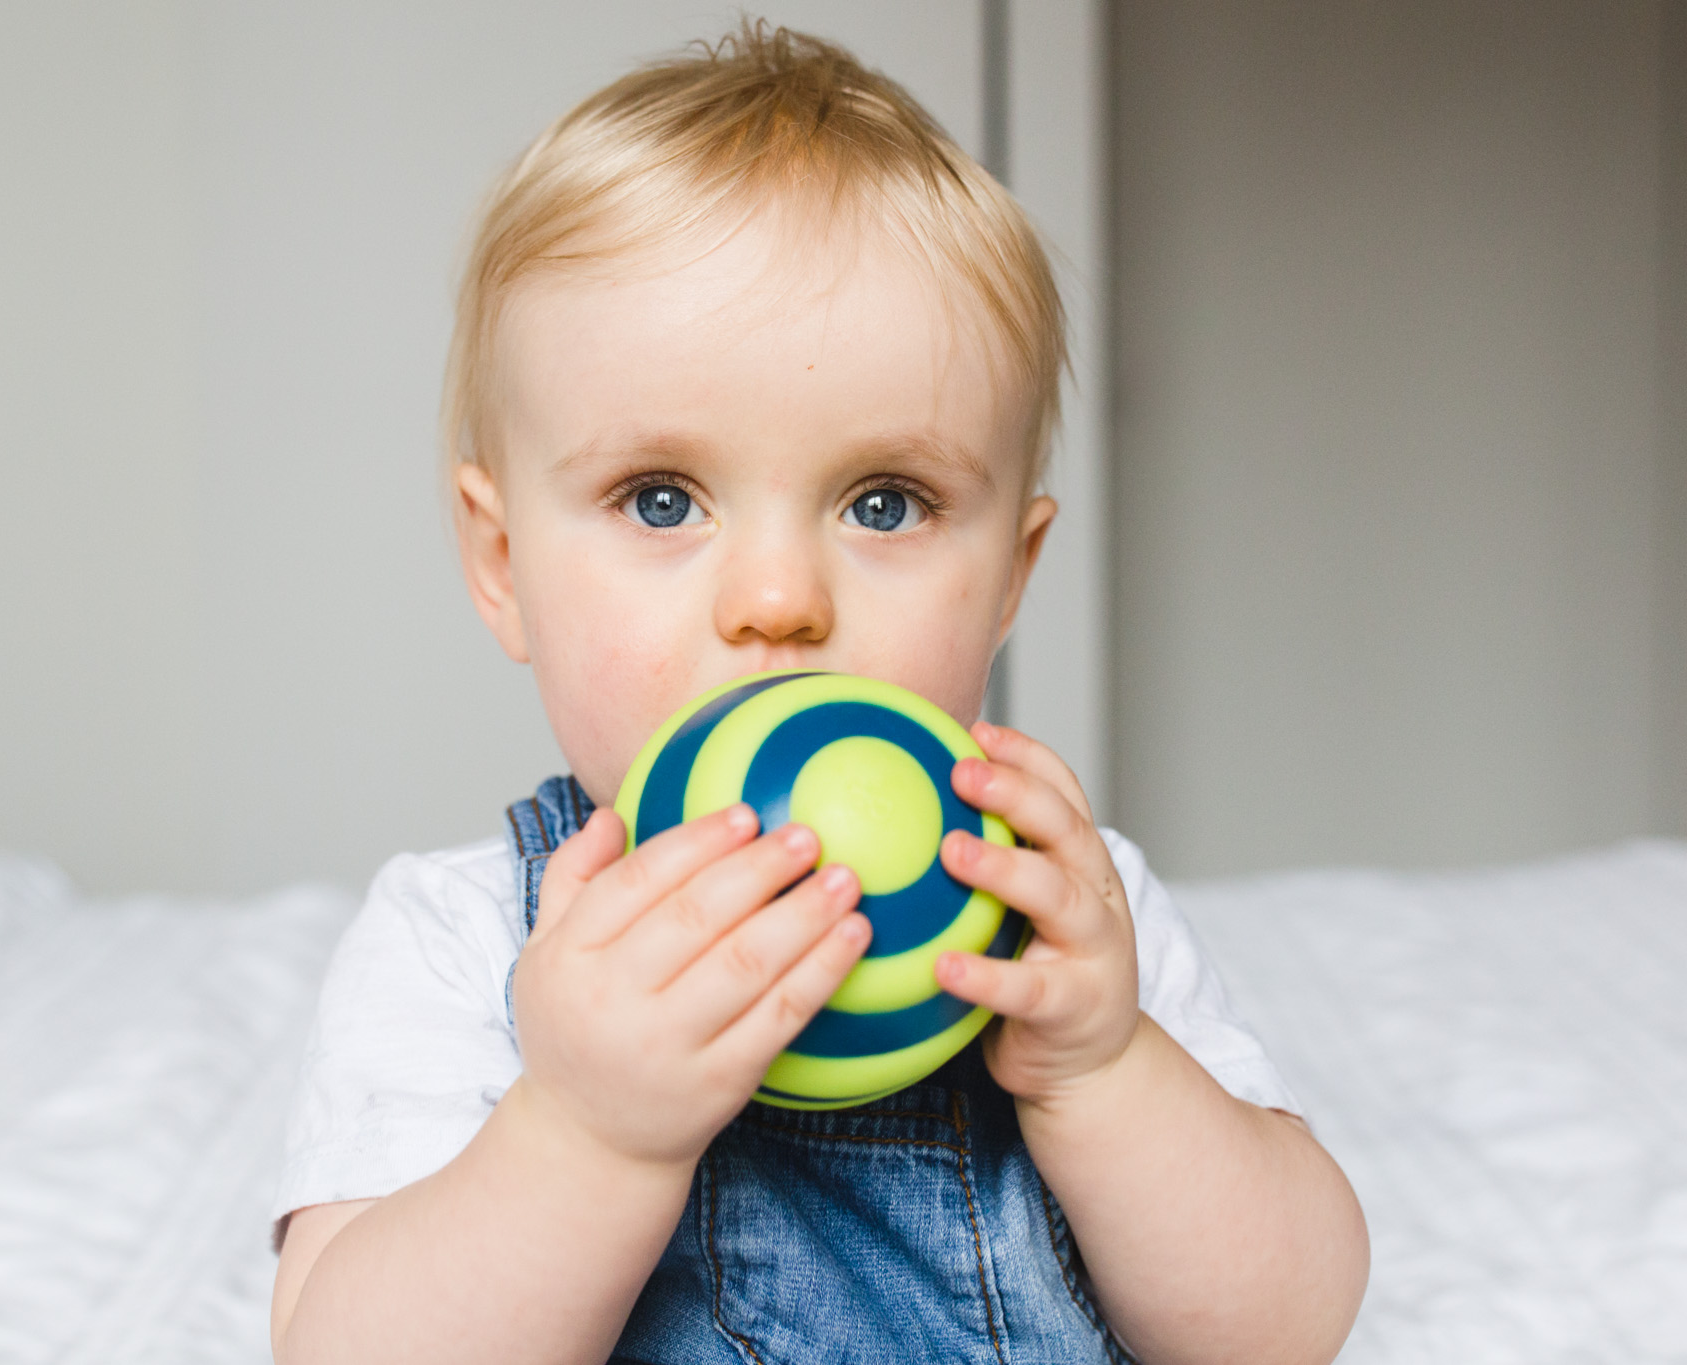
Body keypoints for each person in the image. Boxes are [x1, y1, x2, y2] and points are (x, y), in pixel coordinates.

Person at [269, 23, 1368, 1365]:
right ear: (503, 564)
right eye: (661, 498)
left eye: (886, 502)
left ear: (1013, 571)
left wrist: (1108, 1067)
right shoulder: (462, 939)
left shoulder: (1066, 920)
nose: (780, 597)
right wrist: (581, 1132)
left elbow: (1286, 1326)